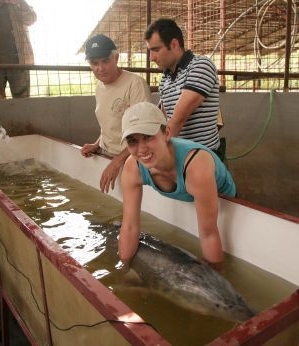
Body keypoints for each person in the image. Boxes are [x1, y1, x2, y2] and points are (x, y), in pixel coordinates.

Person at [118, 102, 235, 270]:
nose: (141, 149)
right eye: (132, 141)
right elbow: (129, 227)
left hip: (224, 199)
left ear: (166, 133)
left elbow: (209, 233)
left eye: (148, 136)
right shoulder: (132, 167)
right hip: (189, 193)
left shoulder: (196, 166)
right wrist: (124, 270)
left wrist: (217, 280)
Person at [145, 18, 225, 160]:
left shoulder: (200, 66)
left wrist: (156, 157)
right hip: (179, 154)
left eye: (156, 50)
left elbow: (177, 120)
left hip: (203, 157)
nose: (151, 57)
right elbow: (163, 119)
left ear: (174, 44)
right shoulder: (165, 77)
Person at [81, 34, 152, 193]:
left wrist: (116, 162)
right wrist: (96, 144)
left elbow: (143, 132)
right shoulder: (99, 86)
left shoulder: (135, 84)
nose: (100, 68)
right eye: (94, 63)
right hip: (106, 154)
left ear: (116, 57)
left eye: (105, 61)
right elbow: (110, 124)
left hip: (131, 159)